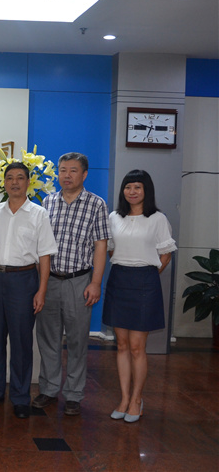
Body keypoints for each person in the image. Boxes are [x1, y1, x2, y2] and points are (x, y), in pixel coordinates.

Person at [0, 161, 57, 419]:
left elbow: (45, 255)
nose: (14, 182)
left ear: (28, 182)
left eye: (20, 177)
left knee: (22, 342)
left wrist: (41, 290)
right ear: (4, 182)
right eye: (10, 177)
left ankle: (21, 397)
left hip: (24, 281)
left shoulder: (39, 213)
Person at [34, 152, 109, 416]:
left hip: (79, 281)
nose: (66, 175)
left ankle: (74, 394)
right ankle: (49, 389)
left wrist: (96, 282)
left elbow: (101, 246)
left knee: (77, 341)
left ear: (84, 174)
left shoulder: (96, 204)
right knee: (48, 338)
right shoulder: (48, 201)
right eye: (63, 170)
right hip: (49, 281)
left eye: (73, 171)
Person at [103, 169, 176, 423]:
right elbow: (111, 249)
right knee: (121, 345)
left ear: (146, 190)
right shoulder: (114, 217)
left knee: (136, 347)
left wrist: (148, 273)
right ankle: (124, 399)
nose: (132, 191)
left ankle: (136, 400)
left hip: (145, 282)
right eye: (128, 187)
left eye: (137, 187)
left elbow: (166, 254)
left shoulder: (157, 218)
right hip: (119, 280)